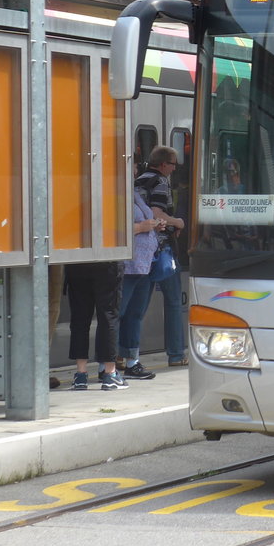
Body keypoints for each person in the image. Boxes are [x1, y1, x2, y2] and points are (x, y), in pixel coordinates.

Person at [132, 145, 186, 371]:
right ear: (163, 164)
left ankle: (127, 353)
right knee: (173, 302)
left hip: (143, 253)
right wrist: (177, 222)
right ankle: (175, 354)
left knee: (138, 306)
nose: (174, 169)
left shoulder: (138, 182)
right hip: (162, 250)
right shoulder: (161, 182)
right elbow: (156, 213)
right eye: (173, 164)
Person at [116, 185, 163, 378]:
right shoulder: (114, 193)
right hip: (127, 265)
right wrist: (142, 227)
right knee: (118, 313)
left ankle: (132, 362)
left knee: (135, 314)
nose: (134, 169)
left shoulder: (134, 193)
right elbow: (112, 227)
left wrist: (156, 225)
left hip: (144, 264)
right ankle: (109, 363)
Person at [64, 261, 127, 391]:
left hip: (78, 262)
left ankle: (80, 375)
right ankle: (110, 373)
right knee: (108, 317)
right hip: (108, 261)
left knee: (79, 318)